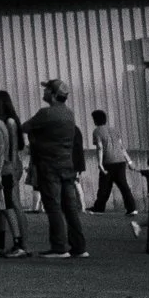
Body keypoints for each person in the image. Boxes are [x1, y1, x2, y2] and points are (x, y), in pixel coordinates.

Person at [24, 80, 89, 260]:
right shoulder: (69, 114)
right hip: (67, 165)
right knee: (70, 207)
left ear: (52, 94)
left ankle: (59, 247)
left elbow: (25, 127)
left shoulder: (46, 113)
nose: (43, 92)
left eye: (46, 89)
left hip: (49, 165)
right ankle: (79, 246)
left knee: (53, 206)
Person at [0, 91, 28, 256]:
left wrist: (10, 164)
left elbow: (12, 147)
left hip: (9, 165)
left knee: (12, 205)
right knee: (5, 205)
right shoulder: (6, 121)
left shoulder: (8, 122)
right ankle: (10, 242)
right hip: (10, 164)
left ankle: (22, 243)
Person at [88, 109, 139, 226]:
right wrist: (129, 161)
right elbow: (121, 147)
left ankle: (99, 208)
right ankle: (132, 208)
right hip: (120, 161)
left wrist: (100, 163)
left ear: (95, 120)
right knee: (123, 185)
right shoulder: (114, 130)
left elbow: (100, 148)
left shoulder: (97, 131)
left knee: (104, 186)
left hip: (108, 161)